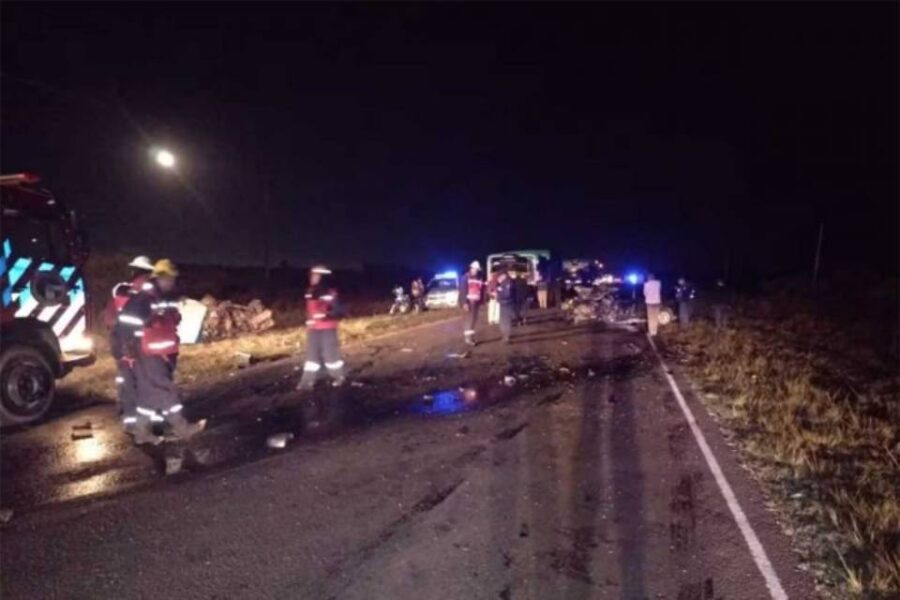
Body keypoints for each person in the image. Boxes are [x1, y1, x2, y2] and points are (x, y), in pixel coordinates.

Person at [113, 259, 205, 445]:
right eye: (170, 279)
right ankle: (183, 428)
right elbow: (127, 324)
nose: (172, 283)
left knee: (148, 394)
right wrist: (129, 348)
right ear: (161, 278)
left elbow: (168, 317)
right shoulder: (145, 297)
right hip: (147, 353)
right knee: (165, 389)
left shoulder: (157, 296)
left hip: (151, 352)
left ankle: (141, 433)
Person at [105, 255, 155, 430]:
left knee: (126, 381)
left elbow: (110, 318)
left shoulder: (120, 292)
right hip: (135, 344)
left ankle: (128, 417)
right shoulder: (144, 294)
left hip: (120, 341)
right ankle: (143, 421)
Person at [298, 265, 346, 389]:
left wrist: (325, 315)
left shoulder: (331, 293)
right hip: (313, 328)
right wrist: (308, 320)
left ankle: (338, 377)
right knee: (311, 356)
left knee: (330, 355)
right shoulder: (309, 291)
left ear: (323, 277)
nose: (312, 278)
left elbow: (339, 311)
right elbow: (309, 309)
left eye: (316, 276)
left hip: (327, 328)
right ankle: (307, 381)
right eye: (312, 275)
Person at [459, 261, 485, 345]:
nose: (476, 271)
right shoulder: (465, 277)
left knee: (473, 320)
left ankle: (471, 338)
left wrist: (481, 300)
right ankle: (468, 339)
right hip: (469, 302)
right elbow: (463, 291)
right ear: (471, 268)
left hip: (476, 302)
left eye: (477, 269)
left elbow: (480, 290)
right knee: (469, 320)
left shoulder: (478, 278)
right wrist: (464, 303)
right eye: (475, 269)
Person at [496, 270, 515, 343]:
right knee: (503, 320)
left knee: (505, 321)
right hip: (504, 303)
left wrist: (500, 291)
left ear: (504, 275)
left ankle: (506, 337)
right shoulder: (505, 282)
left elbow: (507, 294)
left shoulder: (507, 282)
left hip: (506, 303)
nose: (499, 278)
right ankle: (505, 336)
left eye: (500, 276)